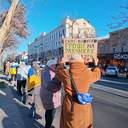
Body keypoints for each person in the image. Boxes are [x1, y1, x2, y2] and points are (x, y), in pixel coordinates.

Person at [55, 54, 101, 128]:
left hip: (70, 104)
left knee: (69, 124)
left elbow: (57, 72)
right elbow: (97, 75)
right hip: (84, 104)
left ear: (71, 62)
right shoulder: (87, 73)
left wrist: (61, 63)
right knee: (84, 123)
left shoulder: (65, 73)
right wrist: (95, 65)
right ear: (81, 62)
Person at [40, 58, 61, 128]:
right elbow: (48, 85)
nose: (56, 67)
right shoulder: (47, 72)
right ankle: (48, 126)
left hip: (50, 95)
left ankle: (48, 125)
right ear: (51, 65)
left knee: (50, 111)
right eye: (55, 65)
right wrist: (58, 84)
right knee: (50, 112)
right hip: (49, 96)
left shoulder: (50, 71)